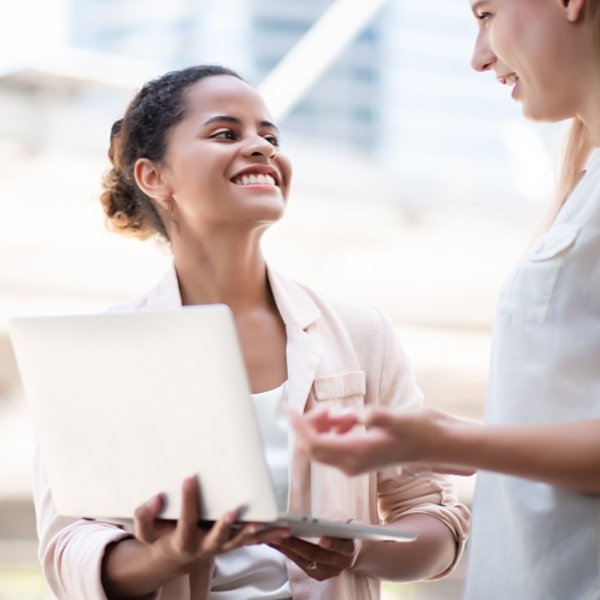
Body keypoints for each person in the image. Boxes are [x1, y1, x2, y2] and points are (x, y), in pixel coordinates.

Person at [32, 64, 469, 600]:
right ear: (154, 177)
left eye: (270, 135)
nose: (261, 147)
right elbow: (67, 550)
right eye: (225, 134)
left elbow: (435, 523)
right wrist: (168, 556)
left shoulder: (361, 333)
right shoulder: (95, 354)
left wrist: (357, 551)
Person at [292, 1, 600, 598]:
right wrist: (458, 438)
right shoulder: (583, 187)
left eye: (485, 13)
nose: (478, 57)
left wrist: (448, 441)